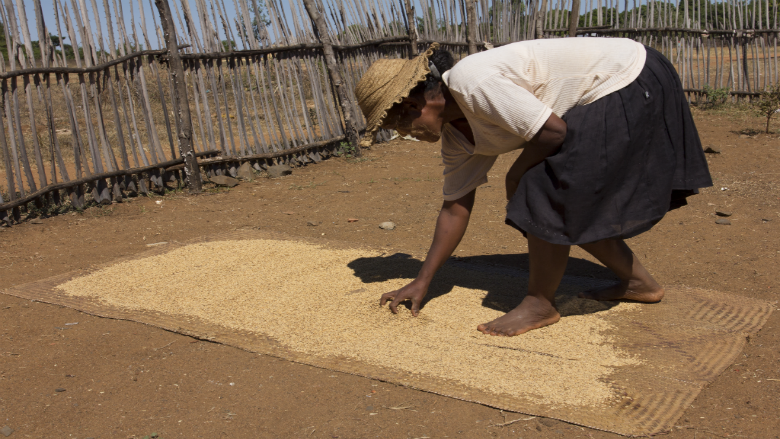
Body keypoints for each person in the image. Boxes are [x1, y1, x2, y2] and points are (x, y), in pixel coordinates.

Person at [354, 38, 712, 336]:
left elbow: (553, 132)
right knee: (567, 200)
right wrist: (422, 280)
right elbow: (454, 207)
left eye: (398, 122)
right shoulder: (456, 139)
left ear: (415, 104)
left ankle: (540, 304)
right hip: (611, 86)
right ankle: (639, 285)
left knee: (543, 186)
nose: (402, 133)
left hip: (626, 77)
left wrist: (515, 175)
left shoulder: (470, 82)